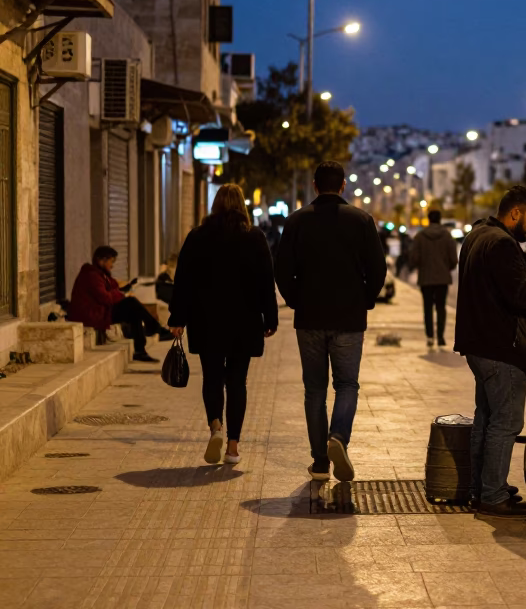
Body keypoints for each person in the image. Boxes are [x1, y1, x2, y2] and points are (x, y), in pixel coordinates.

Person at [454, 186, 526, 520]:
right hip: (500, 348)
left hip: (479, 345)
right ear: (515, 213)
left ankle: (483, 487)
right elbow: (519, 295)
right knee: (505, 423)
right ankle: (492, 496)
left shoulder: (478, 234)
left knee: (487, 419)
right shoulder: (503, 245)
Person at [275, 161, 388, 482]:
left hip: (309, 317)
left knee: (314, 390)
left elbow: (281, 269)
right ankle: (338, 437)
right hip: (349, 318)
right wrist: (365, 299)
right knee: (347, 385)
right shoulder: (362, 220)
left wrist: (296, 300)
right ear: (342, 186)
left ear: (314, 185)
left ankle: (321, 462)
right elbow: (378, 269)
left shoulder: (296, 221)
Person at [168, 184, 278, 465]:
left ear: (215, 206)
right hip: (244, 320)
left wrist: (177, 318)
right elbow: (267, 281)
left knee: (212, 377)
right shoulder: (255, 238)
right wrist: (270, 317)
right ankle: (232, 448)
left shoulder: (197, 237)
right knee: (237, 382)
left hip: (207, 320)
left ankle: (216, 427)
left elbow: (183, 281)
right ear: (242, 206)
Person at [68, 246, 171, 362]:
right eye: (111, 262)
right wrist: (120, 294)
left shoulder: (99, 274)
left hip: (100, 311)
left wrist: (122, 288)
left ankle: (141, 349)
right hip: (92, 314)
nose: (112, 266)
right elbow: (106, 298)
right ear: (101, 260)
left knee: (133, 310)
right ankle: (154, 329)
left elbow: (113, 286)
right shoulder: (91, 275)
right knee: (131, 303)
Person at [408, 210, 458, 347]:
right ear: (440, 219)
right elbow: (454, 259)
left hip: (426, 278)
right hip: (442, 278)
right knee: (441, 307)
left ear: (429, 219)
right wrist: (447, 268)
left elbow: (414, 259)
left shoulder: (420, 236)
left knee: (427, 307)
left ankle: (430, 337)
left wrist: (421, 265)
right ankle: (441, 337)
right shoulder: (447, 236)